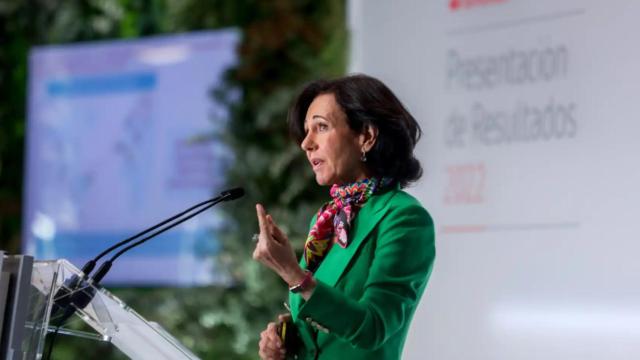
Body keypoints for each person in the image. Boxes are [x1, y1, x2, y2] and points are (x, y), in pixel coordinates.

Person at [253, 74, 435, 360]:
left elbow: (373, 328)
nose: (306, 143)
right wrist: (286, 343)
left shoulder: (404, 218)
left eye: (321, 127)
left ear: (366, 137)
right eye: (306, 131)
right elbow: (323, 332)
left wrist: (292, 273)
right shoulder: (327, 220)